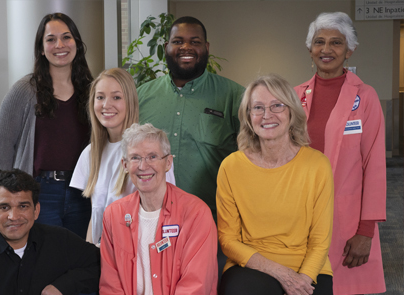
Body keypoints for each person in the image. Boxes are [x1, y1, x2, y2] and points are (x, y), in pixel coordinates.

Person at [294, 12, 387, 295]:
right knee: (302, 285)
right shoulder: (294, 97)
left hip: (347, 217)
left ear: (349, 50)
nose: (326, 49)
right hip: (299, 212)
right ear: (310, 49)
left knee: (344, 286)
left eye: (336, 43)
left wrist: (366, 230)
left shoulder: (366, 97)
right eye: (319, 42)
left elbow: (374, 167)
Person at [217, 74, 334, 295]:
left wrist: (303, 279)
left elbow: (320, 241)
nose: (266, 115)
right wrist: (282, 273)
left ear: (292, 112)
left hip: (309, 266)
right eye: (258, 108)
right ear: (248, 117)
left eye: (277, 106)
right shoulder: (230, 167)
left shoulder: (317, 165)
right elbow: (228, 241)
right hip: (251, 265)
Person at [0, 13, 92, 238]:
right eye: (51, 39)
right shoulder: (24, 90)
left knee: (80, 257)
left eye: (66, 37)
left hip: (84, 191)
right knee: (45, 260)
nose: (59, 45)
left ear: (77, 43)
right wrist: (14, 193)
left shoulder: (92, 90)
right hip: (40, 192)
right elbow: (2, 147)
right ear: (41, 47)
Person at [137, 16, 244, 219]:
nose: (186, 47)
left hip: (214, 218)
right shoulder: (141, 96)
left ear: (207, 47)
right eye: (178, 41)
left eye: (195, 42)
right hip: (152, 217)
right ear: (167, 46)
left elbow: (252, 158)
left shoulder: (235, 96)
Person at [0, 169, 100, 295]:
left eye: (23, 206)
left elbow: (102, 265)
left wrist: (63, 286)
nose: (13, 217)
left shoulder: (60, 240)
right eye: (4, 207)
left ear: (36, 211)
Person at [100, 123, 218, 295]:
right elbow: (110, 285)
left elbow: (195, 286)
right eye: (135, 158)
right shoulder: (113, 215)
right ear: (125, 165)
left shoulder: (196, 213)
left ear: (168, 162)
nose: (143, 166)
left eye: (152, 156)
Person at [69, 68, 175, 246]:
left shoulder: (150, 150)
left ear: (130, 102)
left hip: (136, 255)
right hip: (101, 256)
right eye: (100, 97)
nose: (106, 105)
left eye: (116, 97)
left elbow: (167, 212)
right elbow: (96, 215)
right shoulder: (90, 153)